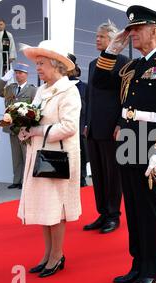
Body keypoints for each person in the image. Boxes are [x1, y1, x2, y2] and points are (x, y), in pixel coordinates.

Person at [92, 5, 156, 283]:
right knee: (132, 206)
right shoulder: (131, 66)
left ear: (154, 31)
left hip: (152, 144)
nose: (131, 34)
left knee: (149, 208)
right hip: (128, 142)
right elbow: (100, 80)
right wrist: (111, 49)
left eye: (137, 29)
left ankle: (151, 269)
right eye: (130, 30)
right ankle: (137, 264)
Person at [17, 40, 81, 277]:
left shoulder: (69, 91)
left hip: (58, 157)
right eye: (37, 63)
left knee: (56, 210)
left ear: (56, 66)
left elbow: (69, 127)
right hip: (40, 154)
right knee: (45, 208)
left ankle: (57, 255)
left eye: (42, 63)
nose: (38, 68)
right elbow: (34, 119)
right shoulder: (42, 90)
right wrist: (23, 128)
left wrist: (37, 131)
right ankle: (47, 254)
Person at [83, 21, 129, 234]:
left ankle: (113, 214)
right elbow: (89, 97)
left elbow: (126, 98)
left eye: (101, 36)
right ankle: (102, 212)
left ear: (113, 40)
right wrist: (86, 123)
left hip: (112, 128)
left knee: (113, 174)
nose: (97, 39)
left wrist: (121, 124)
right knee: (99, 173)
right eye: (97, 36)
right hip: (93, 128)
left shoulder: (124, 63)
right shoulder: (93, 63)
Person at [0, 63, 36, 189]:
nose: (18, 75)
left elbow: (35, 109)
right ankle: (16, 180)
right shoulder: (11, 88)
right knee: (16, 156)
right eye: (16, 72)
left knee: (26, 155)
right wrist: (3, 80)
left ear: (26, 74)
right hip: (12, 128)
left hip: (24, 129)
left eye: (21, 73)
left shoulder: (32, 89)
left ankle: (26, 182)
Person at [67, 53, 88, 188]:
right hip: (64, 124)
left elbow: (89, 106)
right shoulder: (59, 85)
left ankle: (81, 177)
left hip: (80, 125)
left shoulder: (83, 86)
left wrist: (86, 125)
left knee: (81, 152)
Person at [0, 19, 17, 83]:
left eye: (1, 24)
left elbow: (12, 46)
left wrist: (11, 56)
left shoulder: (8, 35)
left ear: (4, 25)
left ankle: (8, 84)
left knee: (6, 70)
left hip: (5, 55)